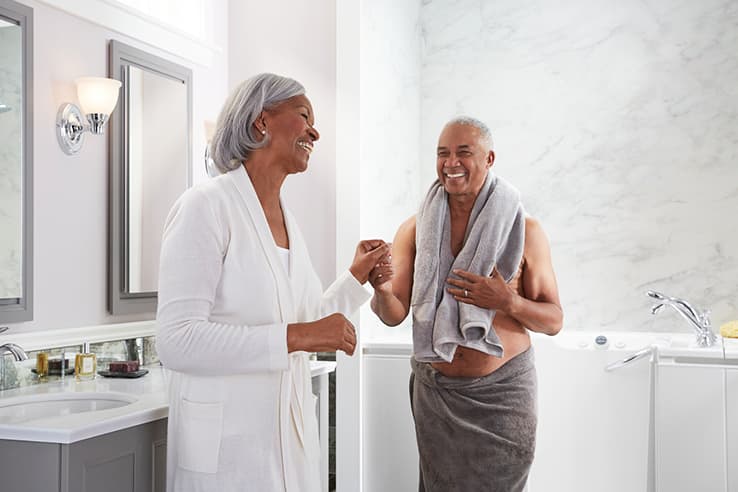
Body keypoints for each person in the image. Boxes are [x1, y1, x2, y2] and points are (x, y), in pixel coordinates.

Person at [156, 73, 389, 492]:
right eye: (304, 116)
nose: (316, 131)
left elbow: (306, 322)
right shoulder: (205, 206)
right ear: (261, 122)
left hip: (287, 447)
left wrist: (356, 278)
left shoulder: (285, 221)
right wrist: (298, 336)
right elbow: (177, 341)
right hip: (228, 455)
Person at [370, 116, 563, 492]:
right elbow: (394, 314)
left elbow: (553, 320)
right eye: (442, 154)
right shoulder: (414, 229)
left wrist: (508, 301)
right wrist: (379, 289)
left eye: (463, 153)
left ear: (489, 159)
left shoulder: (525, 231)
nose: (451, 163)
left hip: (501, 397)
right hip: (436, 395)